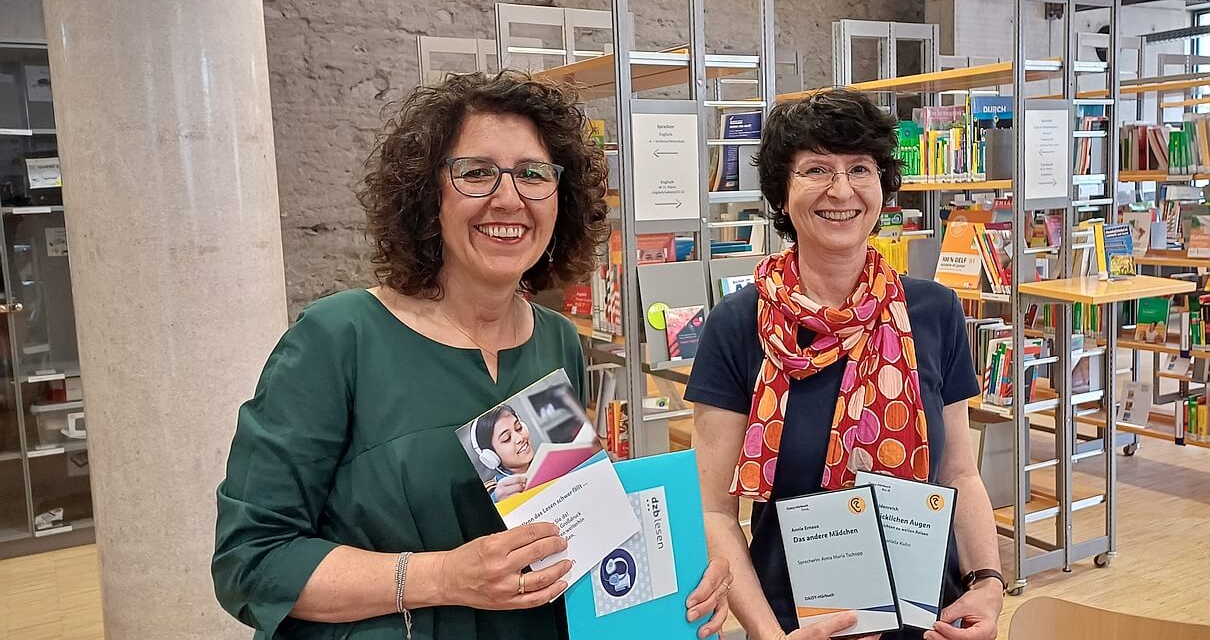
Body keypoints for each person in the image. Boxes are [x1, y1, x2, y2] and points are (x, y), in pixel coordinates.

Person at [212, 70, 732, 640]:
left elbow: (565, 528)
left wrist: (678, 573)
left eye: (533, 174)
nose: (508, 198)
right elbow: (252, 560)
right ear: (426, 193)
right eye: (477, 173)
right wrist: (443, 577)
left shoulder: (556, 341)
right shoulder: (337, 340)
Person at [687, 89, 1003, 640]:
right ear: (782, 195)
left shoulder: (934, 312)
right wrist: (765, 634)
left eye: (860, 168)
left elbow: (958, 473)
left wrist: (989, 583)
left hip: (930, 618)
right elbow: (715, 510)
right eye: (815, 169)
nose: (841, 190)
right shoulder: (739, 325)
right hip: (793, 625)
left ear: (882, 187)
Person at [473, 405, 534, 500]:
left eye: (518, 428)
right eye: (506, 438)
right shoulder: (491, 493)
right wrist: (497, 501)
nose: (520, 438)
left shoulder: (547, 462)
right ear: (491, 456)